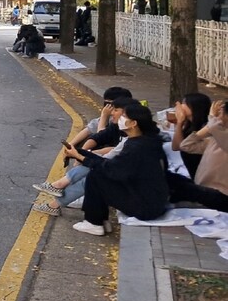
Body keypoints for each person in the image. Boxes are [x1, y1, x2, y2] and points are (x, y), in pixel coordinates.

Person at [64, 103, 170, 235]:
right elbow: (111, 164)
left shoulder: (137, 147)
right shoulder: (144, 141)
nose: (119, 118)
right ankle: (101, 220)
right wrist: (80, 154)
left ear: (133, 123)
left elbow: (110, 169)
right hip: (150, 201)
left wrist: (80, 156)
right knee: (99, 173)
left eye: (124, 116)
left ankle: (93, 222)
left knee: (96, 175)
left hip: (145, 207)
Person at [170, 92, 211, 179]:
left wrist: (180, 121)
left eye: (184, 103)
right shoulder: (189, 125)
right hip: (194, 173)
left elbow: (182, 146)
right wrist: (179, 123)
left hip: (205, 176)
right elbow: (176, 147)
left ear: (195, 107)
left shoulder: (205, 129)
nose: (180, 106)